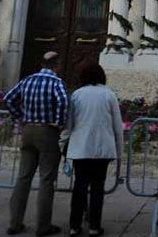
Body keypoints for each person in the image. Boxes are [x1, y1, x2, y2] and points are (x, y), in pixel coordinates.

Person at [3, 51, 68, 236]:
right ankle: (43, 226)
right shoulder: (56, 82)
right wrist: (59, 123)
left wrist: (19, 117)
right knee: (47, 179)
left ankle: (14, 223)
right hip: (47, 131)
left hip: (28, 129)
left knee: (23, 177)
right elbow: (63, 101)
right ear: (57, 65)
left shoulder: (27, 80)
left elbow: (8, 98)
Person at [61, 62, 124, 236]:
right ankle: (95, 226)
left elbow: (69, 123)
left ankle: (74, 225)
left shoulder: (77, 95)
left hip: (81, 148)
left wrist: (63, 142)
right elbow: (118, 126)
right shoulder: (109, 95)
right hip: (102, 149)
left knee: (79, 186)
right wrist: (119, 152)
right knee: (98, 188)